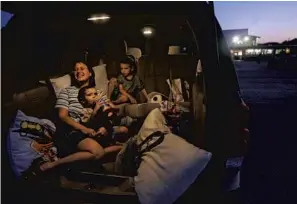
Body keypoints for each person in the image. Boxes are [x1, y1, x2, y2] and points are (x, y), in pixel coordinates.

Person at [39, 61, 121, 172]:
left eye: (82, 68)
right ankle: (56, 164)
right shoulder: (67, 91)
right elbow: (63, 116)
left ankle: (81, 159)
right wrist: (85, 129)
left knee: (123, 139)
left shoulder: (96, 92)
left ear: (90, 73)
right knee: (99, 153)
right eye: (76, 69)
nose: (78, 71)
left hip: (95, 128)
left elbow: (108, 112)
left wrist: (104, 127)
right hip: (74, 130)